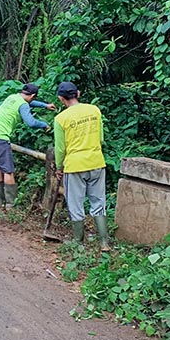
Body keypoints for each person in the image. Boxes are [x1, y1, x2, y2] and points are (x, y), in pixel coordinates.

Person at [54, 81, 109, 251]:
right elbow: (101, 139)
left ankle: (78, 242)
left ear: (61, 99)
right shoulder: (94, 110)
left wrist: (58, 167)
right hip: (96, 161)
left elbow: (60, 149)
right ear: (78, 93)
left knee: (76, 203)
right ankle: (104, 242)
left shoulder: (60, 119)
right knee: (98, 202)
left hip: (74, 166)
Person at [0, 83, 56, 209]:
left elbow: (29, 103)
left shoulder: (12, 97)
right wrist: (44, 125)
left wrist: (45, 106)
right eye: (33, 98)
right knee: (8, 171)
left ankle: (0, 201)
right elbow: (31, 122)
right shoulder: (23, 105)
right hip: (0, 139)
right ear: (32, 95)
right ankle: (11, 204)